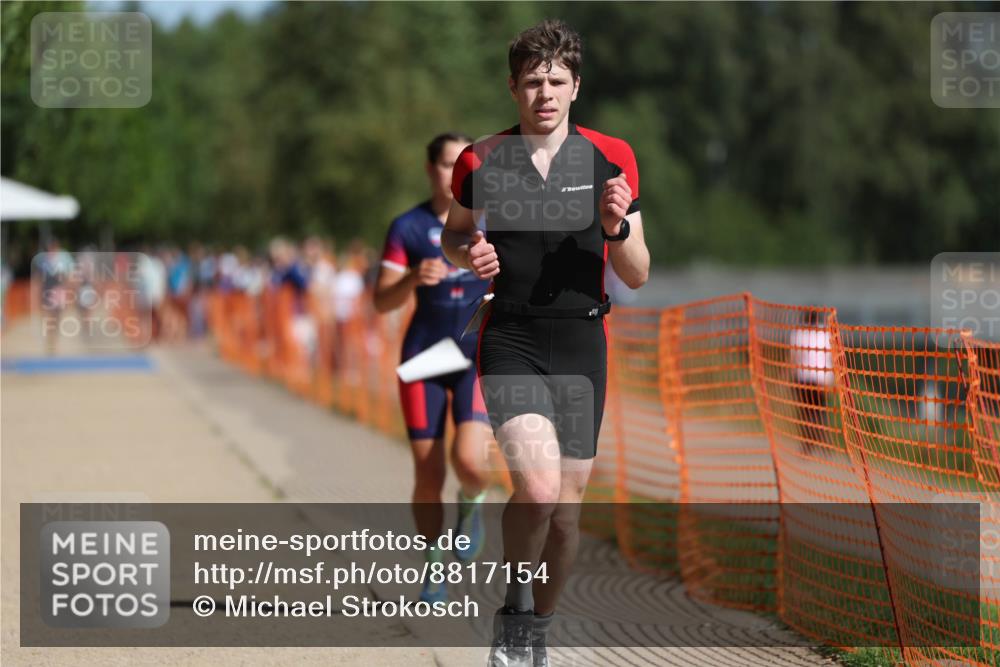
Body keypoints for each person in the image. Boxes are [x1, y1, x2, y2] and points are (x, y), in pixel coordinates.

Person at [441, 20, 649, 667]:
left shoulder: (612, 157)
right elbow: (454, 234)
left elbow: (639, 271)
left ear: (576, 86)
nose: (545, 93)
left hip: (584, 341)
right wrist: (469, 250)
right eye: (532, 81)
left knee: (565, 513)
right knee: (535, 486)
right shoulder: (482, 158)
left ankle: (539, 625)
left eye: (557, 80)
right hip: (512, 336)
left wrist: (615, 226)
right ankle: (514, 614)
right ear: (513, 88)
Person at [374, 133, 493, 604]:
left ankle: (472, 505)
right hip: (424, 356)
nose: (455, 172)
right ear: (430, 170)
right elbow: (381, 301)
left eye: (464, 164)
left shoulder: (492, 223)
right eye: (446, 164)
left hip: (473, 356)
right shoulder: (407, 227)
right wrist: (411, 278)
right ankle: (433, 569)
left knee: (469, 461)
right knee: (427, 475)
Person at [789, 310, 834, 455]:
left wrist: (791, 376)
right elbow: (831, 356)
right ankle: (824, 443)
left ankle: (808, 444)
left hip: (804, 378)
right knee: (820, 411)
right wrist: (831, 378)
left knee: (805, 413)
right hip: (821, 378)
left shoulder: (799, 333)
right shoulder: (825, 333)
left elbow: (794, 357)